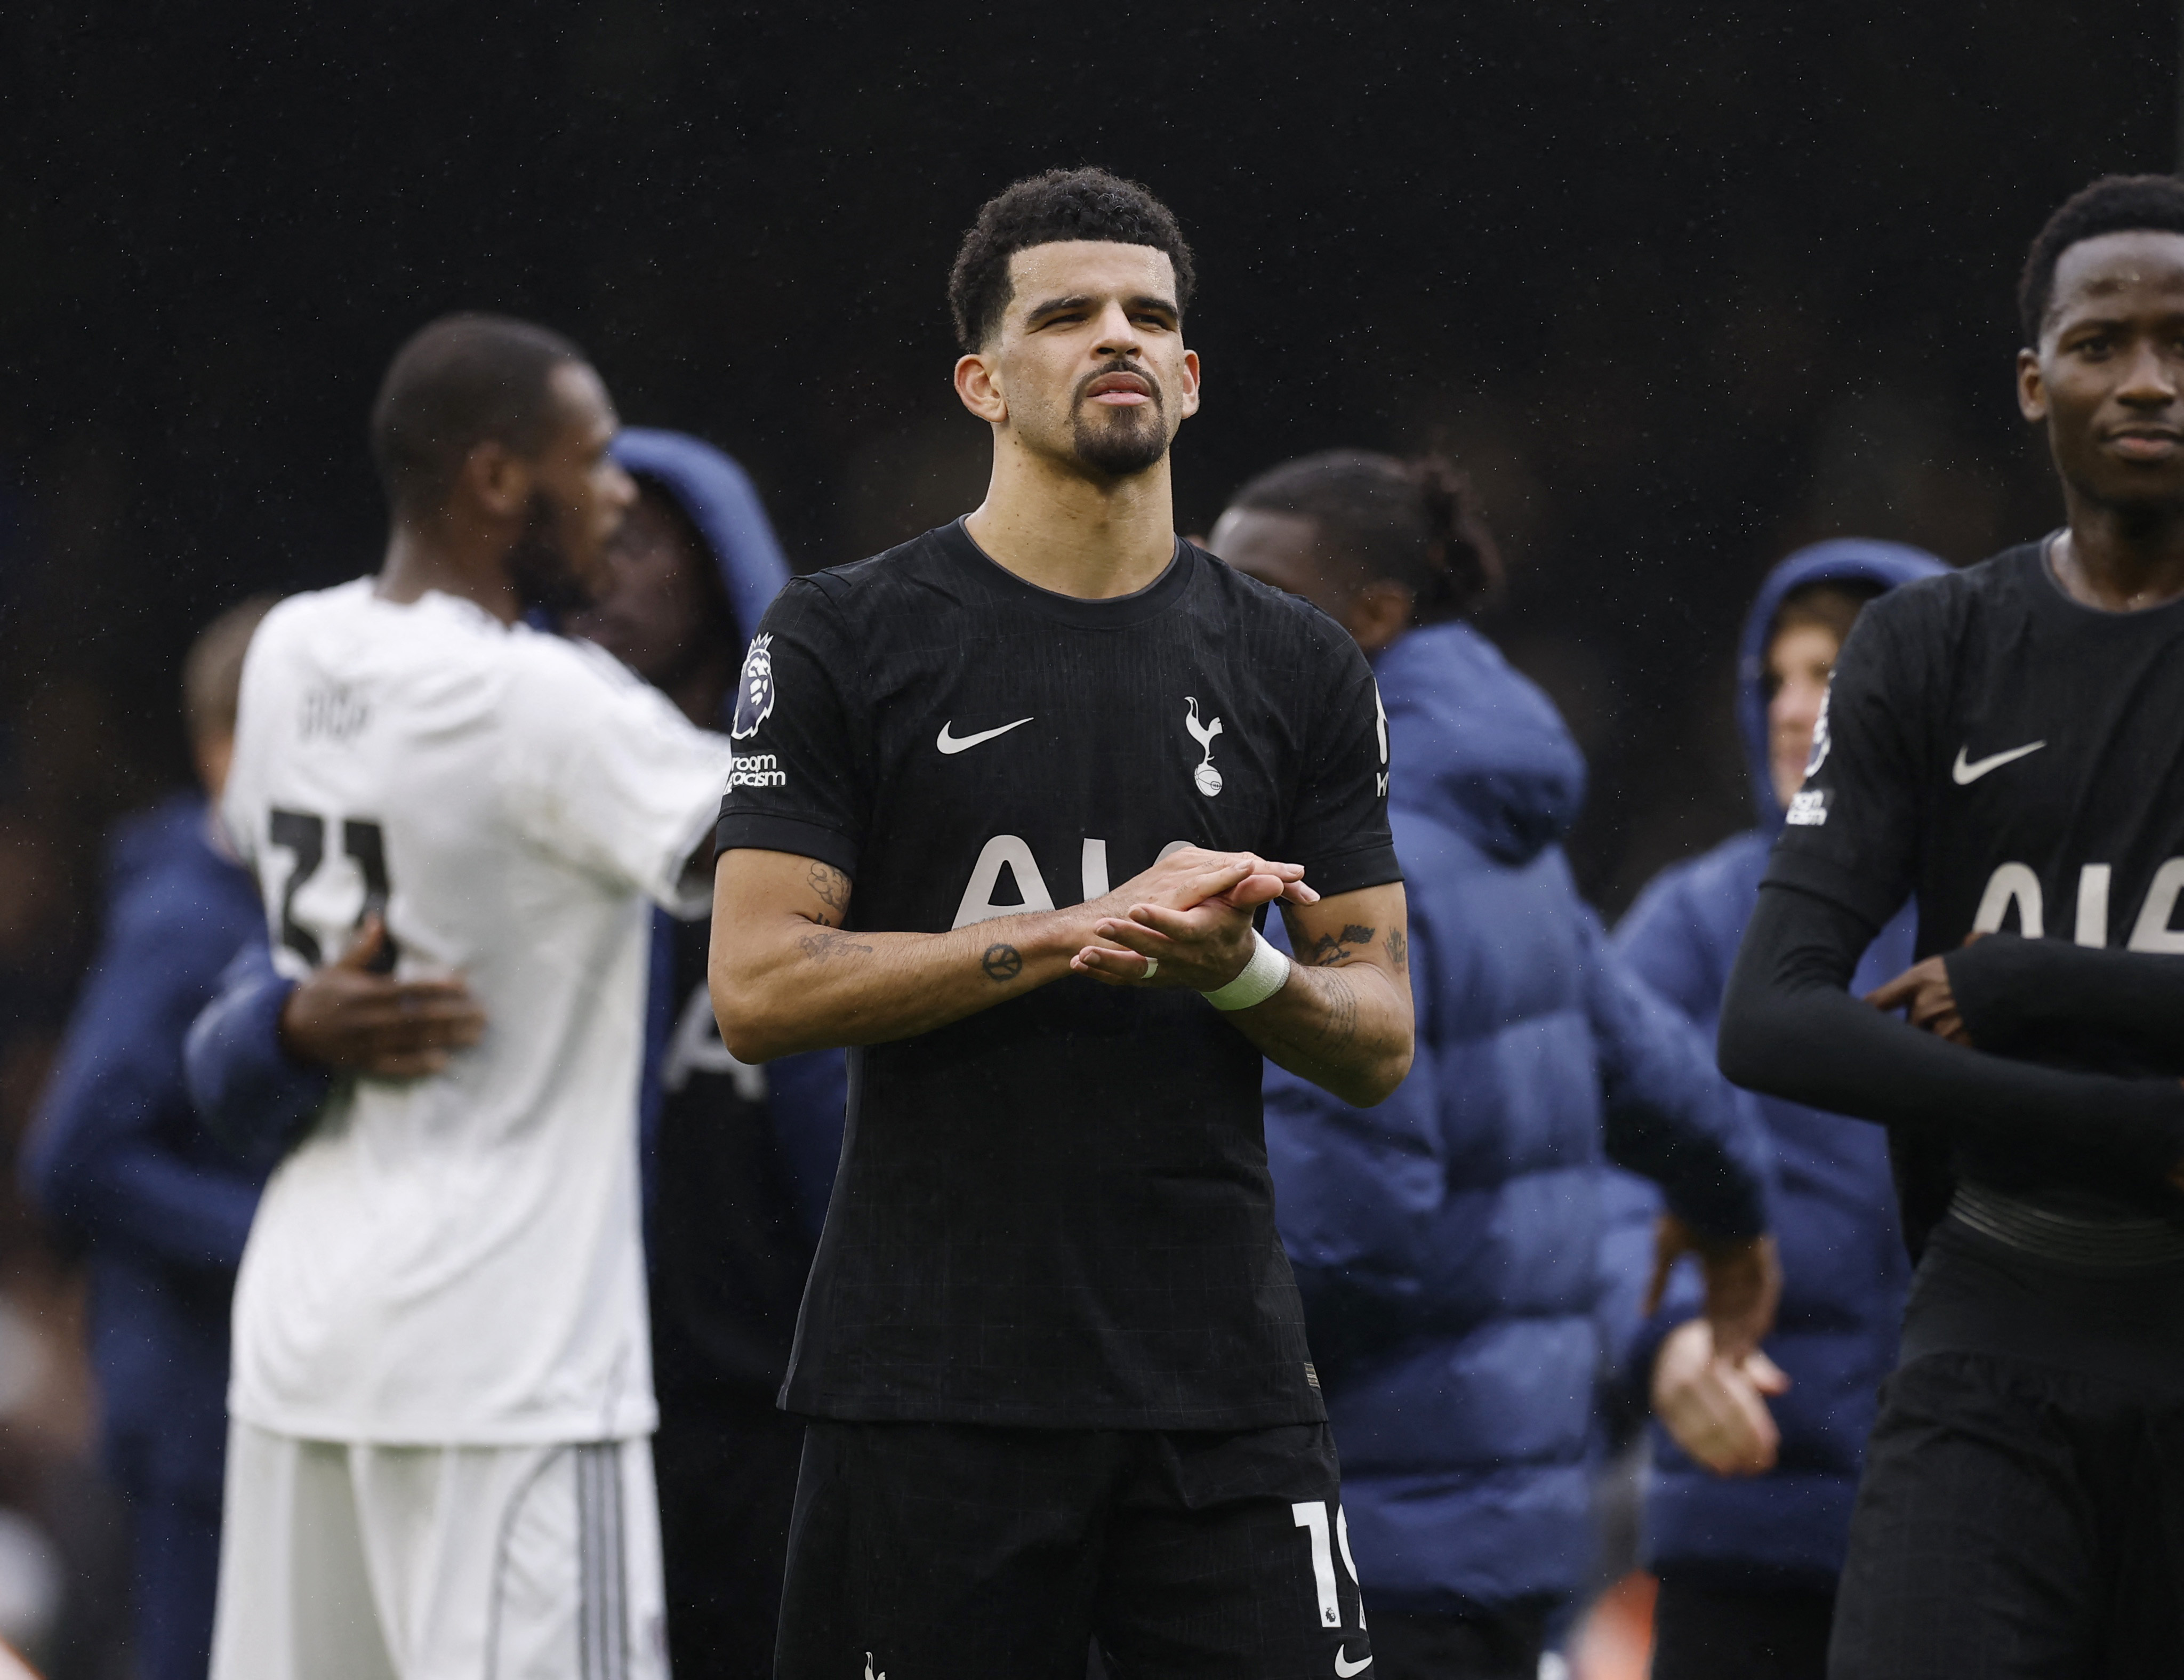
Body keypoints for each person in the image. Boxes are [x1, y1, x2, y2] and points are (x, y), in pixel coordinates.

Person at [1719, 174, 2184, 1677]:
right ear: (2031, 380)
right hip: (1992, 1315)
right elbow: (1771, 1017)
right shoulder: (1925, 645)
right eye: (2101, 340)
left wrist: (2026, 976)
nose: (2144, 377)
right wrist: (2114, 1123)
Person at [709, 167, 1422, 1680]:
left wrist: (1237, 970)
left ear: (1191, 373)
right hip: (932, 1381)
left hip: (1219, 1382)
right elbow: (760, 985)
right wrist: (1068, 933)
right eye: (1069, 314)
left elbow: (1376, 1038)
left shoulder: (1298, 664)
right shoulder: (843, 636)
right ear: (981, 378)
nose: (1118, 336)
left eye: (1149, 317)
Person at [183, 428, 843, 1678]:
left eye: (645, 536)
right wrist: (282, 1026)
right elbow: (218, 1070)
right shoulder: (469, 766)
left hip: (767, 1419)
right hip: (538, 1390)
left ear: (727, 574)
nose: (604, 563)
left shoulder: (812, 839)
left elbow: (862, 1142)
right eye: (592, 527)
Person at [1207, 452, 1780, 1679]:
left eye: (1257, 586)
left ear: (1377, 615)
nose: (1218, 618)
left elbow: (1349, 1229)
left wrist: (1162, 1388)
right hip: (1509, 1531)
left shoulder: (1346, 855)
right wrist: (1734, 1221)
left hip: (1359, 1532)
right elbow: (1664, 1082)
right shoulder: (1497, 836)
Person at [1607, 541, 1944, 1679]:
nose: (1798, 708)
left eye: (1836, 674)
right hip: (1745, 1526)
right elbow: (1578, 1169)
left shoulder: (2010, 917)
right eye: (1780, 678)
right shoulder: (1694, 921)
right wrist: (1663, 1343)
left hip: (1986, 1528)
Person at [19, 599, 287, 1680]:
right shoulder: (183, 914)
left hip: (256, 1383)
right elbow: (69, 1155)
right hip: (189, 1405)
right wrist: (270, 1233)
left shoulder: (286, 899)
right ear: (225, 753)